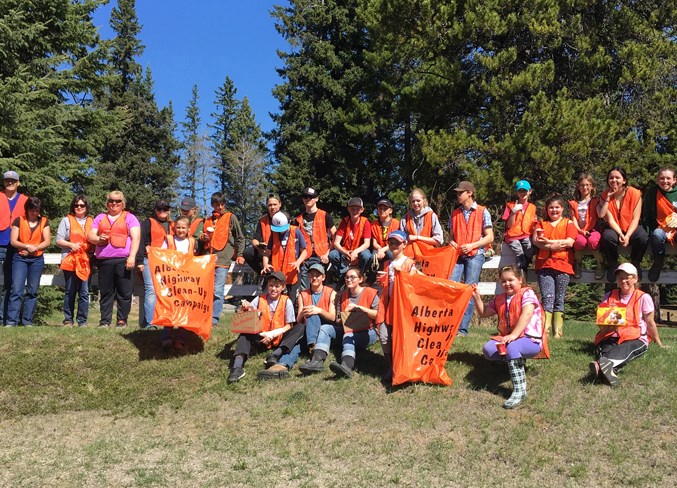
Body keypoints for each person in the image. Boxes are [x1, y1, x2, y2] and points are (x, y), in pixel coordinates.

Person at [473, 265, 547, 409]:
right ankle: (515, 362)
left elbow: (526, 314)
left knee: (512, 346)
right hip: (511, 338)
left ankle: (520, 390)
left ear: (520, 280)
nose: (507, 284)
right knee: (488, 349)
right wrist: (477, 298)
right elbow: (484, 313)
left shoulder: (528, 294)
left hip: (530, 339)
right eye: (503, 281)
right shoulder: (500, 299)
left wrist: (513, 335)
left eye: (510, 280)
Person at [590, 263, 665, 387]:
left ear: (635, 279)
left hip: (634, 337)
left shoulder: (643, 297)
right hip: (610, 335)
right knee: (607, 347)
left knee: (626, 348)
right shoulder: (609, 296)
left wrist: (659, 343)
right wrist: (607, 328)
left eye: (627, 277)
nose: (623, 281)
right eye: (620, 278)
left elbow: (650, 322)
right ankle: (609, 371)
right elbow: (601, 321)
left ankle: (600, 365)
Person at [259, 263, 337, 379]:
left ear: (323, 277)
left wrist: (318, 310)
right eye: (311, 275)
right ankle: (282, 365)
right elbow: (299, 320)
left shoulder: (331, 292)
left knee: (313, 314)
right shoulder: (302, 294)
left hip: (325, 330)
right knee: (297, 344)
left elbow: (333, 318)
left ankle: (312, 346)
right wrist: (304, 313)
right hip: (309, 330)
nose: (314, 278)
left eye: (317, 275)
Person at [299, 267, 379, 378]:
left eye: (352, 277)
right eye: (346, 277)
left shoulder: (370, 293)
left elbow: (378, 314)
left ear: (360, 279)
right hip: (348, 327)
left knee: (348, 335)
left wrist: (361, 309)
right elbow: (337, 321)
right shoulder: (342, 296)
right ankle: (317, 360)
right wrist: (344, 316)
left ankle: (346, 365)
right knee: (326, 328)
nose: (349, 280)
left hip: (368, 331)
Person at [227, 271, 303, 383]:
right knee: (244, 333)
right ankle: (237, 367)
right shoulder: (259, 299)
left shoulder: (287, 302)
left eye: (277, 286)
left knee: (300, 327)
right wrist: (245, 308)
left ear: (283, 287)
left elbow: (289, 325)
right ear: (267, 285)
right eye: (271, 285)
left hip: (278, 337)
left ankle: (274, 355)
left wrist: (272, 335)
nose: (273, 289)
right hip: (261, 336)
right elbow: (246, 317)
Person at [87, 190, 141, 328]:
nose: (114, 203)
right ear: (107, 203)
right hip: (105, 261)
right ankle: (105, 321)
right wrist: (99, 239)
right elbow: (90, 236)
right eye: (111, 200)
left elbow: (136, 237)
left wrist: (132, 257)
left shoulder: (130, 218)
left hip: (124, 260)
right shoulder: (99, 218)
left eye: (117, 201)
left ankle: (122, 321)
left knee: (125, 292)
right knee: (106, 292)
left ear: (122, 203)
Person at [448, 181, 494, 336]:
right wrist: (452, 243)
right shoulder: (455, 213)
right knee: (451, 288)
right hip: (458, 255)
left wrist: (472, 246)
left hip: (475, 254)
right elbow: (451, 238)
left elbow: (490, 237)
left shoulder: (483, 211)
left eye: (460, 192)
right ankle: (450, 326)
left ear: (469, 193)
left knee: (468, 290)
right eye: (457, 192)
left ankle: (462, 329)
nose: (457, 195)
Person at [375, 230, 418, 382]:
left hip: (403, 306)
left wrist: (405, 276)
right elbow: (386, 286)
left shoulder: (409, 263)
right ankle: (391, 364)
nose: (393, 245)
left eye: (397, 243)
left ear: (404, 244)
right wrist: (382, 280)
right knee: (384, 335)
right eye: (391, 242)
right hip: (388, 305)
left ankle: (402, 367)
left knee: (401, 337)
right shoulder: (387, 263)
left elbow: (414, 283)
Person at [532, 194, 577, 338]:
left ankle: (558, 332)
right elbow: (537, 241)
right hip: (544, 265)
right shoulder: (540, 224)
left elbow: (570, 242)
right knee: (547, 297)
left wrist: (549, 243)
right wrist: (557, 245)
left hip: (563, 265)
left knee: (560, 298)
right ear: (547, 209)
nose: (554, 210)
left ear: (562, 209)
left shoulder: (568, 223)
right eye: (551, 207)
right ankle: (545, 331)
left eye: (557, 207)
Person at [200, 192, 245, 326]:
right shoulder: (207, 220)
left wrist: (240, 254)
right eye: (216, 204)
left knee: (218, 290)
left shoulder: (231, 217)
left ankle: (214, 319)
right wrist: (203, 238)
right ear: (212, 205)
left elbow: (240, 238)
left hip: (223, 259)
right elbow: (200, 242)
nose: (220, 207)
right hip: (207, 259)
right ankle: (204, 316)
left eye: (222, 204)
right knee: (205, 289)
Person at [5, 197, 50, 327]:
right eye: (31, 209)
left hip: (37, 259)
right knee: (16, 289)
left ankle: (27, 321)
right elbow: (13, 240)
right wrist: (26, 246)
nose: (34, 212)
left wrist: (33, 249)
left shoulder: (44, 222)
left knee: (32, 291)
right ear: (27, 209)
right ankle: (11, 321)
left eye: (36, 210)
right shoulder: (19, 220)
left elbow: (46, 241)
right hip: (20, 259)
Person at [597, 166, 648, 282]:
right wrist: (620, 233)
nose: (614, 180)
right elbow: (610, 219)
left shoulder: (635, 193)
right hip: (615, 228)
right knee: (607, 236)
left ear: (624, 180)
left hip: (632, 226)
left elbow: (636, 218)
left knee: (642, 237)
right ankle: (613, 263)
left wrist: (628, 235)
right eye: (611, 178)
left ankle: (635, 263)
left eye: (617, 178)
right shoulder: (605, 196)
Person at [160, 216, 197, 351]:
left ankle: (180, 338)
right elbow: (160, 255)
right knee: (169, 307)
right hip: (170, 280)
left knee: (183, 308)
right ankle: (166, 338)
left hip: (185, 281)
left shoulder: (191, 242)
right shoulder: (169, 239)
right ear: (174, 228)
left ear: (188, 229)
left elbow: (194, 260)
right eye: (178, 227)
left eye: (183, 228)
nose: (180, 230)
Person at [56, 195, 93, 327]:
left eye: (82, 205)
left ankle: (82, 321)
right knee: (70, 290)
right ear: (73, 206)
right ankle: (68, 320)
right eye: (76, 205)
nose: (79, 208)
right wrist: (71, 245)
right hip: (70, 260)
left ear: (86, 207)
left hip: (85, 261)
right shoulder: (66, 221)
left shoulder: (92, 222)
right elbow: (58, 240)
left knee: (84, 292)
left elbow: (95, 239)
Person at [136, 200, 173, 330]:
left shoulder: (173, 225)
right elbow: (141, 242)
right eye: (159, 209)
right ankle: (150, 323)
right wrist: (140, 261)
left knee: (167, 292)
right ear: (155, 210)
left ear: (169, 210)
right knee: (151, 290)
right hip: (149, 260)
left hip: (168, 262)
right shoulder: (148, 222)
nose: (162, 211)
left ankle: (168, 321)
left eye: (165, 209)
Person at [295, 186, 336, 290]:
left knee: (319, 287)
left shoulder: (325, 215)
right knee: (304, 289)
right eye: (305, 197)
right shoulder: (298, 219)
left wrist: (327, 254)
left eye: (311, 197)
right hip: (305, 258)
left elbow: (336, 237)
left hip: (321, 257)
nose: (308, 199)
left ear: (317, 198)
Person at [261, 211, 308, 302]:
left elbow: (304, 251)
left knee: (292, 299)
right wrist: (265, 264)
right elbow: (267, 252)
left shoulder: (296, 231)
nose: (280, 231)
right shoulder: (274, 233)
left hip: (292, 271)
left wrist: (298, 262)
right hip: (277, 273)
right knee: (277, 299)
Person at [0, 170, 27, 324]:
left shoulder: (25, 200)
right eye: (7, 180)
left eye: (13, 180)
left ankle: (8, 320)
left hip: (16, 247)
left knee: (11, 286)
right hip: (0, 245)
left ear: (18, 183)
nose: (10, 183)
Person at [641, 167, 677, 282]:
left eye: (668, 178)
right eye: (662, 178)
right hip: (659, 228)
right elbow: (645, 215)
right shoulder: (652, 192)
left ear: (674, 180)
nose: (665, 181)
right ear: (657, 179)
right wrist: (649, 231)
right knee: (656, 234)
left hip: (675, 229)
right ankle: (658, 262)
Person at [568, 173, 603, 279]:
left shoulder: (596, 201)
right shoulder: (573, 203)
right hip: (579, 230)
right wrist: (580, 231)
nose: (585, 187)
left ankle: (600, 263)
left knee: (593, 241)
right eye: (582, 185)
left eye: (587, 185)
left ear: (592, 186)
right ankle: (577, 262)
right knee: (579, 242)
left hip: (593, 229)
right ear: (578, 186)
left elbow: (600, 214)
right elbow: (573, 219)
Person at [329, 197, 372, 282]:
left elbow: (367, 243)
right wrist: (345, 252)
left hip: (359, 251)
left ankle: (360, 275)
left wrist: (356, 251)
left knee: (366, 255)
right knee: (332, 255)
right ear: (348, 209)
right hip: (346, 250)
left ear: (362, 210)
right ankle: (343, 275)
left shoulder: (365, 222)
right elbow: (336, 243)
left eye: (357, 209)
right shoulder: (344, 221)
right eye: (352, 208)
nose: (355, 211)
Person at [501, 180, 537, 272]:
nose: (523, 193)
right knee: (519, 253)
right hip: (512, 236)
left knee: (530, 249)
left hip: (526, 234)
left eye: (525, 190)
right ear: (517, 192)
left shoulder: (532, 207)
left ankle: (522, 269)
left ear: (530, 192)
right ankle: (521, 275)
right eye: (520, 191)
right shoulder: (510, 206)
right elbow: (509, 226)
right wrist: (513, 212)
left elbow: (534, 223)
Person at [242, 193, 281, 275]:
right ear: (267, 206)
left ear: (280, 204)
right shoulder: (263, 220)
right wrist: (258, 246)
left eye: (275, 204)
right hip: (266, 251)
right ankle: (265, 274)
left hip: (281, 251)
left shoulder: (285, 218)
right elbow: (255, 239)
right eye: (270, 205)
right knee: (247, 252)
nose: (272, 207)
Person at [369, 197, 400, 265]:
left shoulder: (396, 223)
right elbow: (374, 243)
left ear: (390, 211)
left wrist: (383, 250)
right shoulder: (373, 224)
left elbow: (395, 242)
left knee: (390, 254)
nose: (382, 210)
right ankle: (372, 275)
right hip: (378, 248)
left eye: (385, 209)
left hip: (391, 248)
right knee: (372, 257)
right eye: (380, 208)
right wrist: (380, 249)